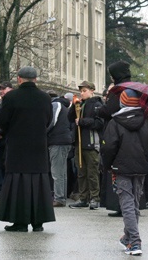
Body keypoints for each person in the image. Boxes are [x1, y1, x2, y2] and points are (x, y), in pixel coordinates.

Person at [0, 66, 55, 232]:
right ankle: (38, 222)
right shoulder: (45, 97)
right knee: (39, 182)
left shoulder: (12, 97)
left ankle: (20, 222)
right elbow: (48, 120)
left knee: (18, 182)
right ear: (35, 79)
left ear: (19, 79)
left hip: (18, 145)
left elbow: (3, 121)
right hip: (38, 144)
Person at [101, 89, 148, 256]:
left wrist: (108, 165)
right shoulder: (146, 121)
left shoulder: (115, 122)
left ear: (123, 102)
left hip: (121, 166)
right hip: (140, 166)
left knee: (126, 204)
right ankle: (127, 238)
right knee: (133, 203)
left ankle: (134, 241)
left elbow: (108, 147)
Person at [97, 60, 131, 217]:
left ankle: (119, 204)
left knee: (116, 169)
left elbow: (110, 110)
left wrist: (100, 109)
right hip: (132, 134)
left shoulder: (118, 90)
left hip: (116, 132)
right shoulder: (133, 88)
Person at [69, 81, 104, 210]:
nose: (82, 93)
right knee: (81, 172)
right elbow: (70, 118)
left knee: (92, 172)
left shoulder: (97, 104)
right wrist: (73, 107)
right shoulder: (80, 104)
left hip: (91, 143)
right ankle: (83, 197)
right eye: (81, 91)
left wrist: (83, 121)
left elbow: (99, 123)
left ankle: (95, 198)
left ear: (91, 90)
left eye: (84, 90)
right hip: (79, 143)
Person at [46, 90, 73, 208]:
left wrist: (43, 132)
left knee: (57, 171)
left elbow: (51, 121)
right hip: (64, 140)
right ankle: (61, 196)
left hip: (57, 141)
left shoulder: (55, 104)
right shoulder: (63, 106)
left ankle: (59, 198)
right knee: (62, 171)